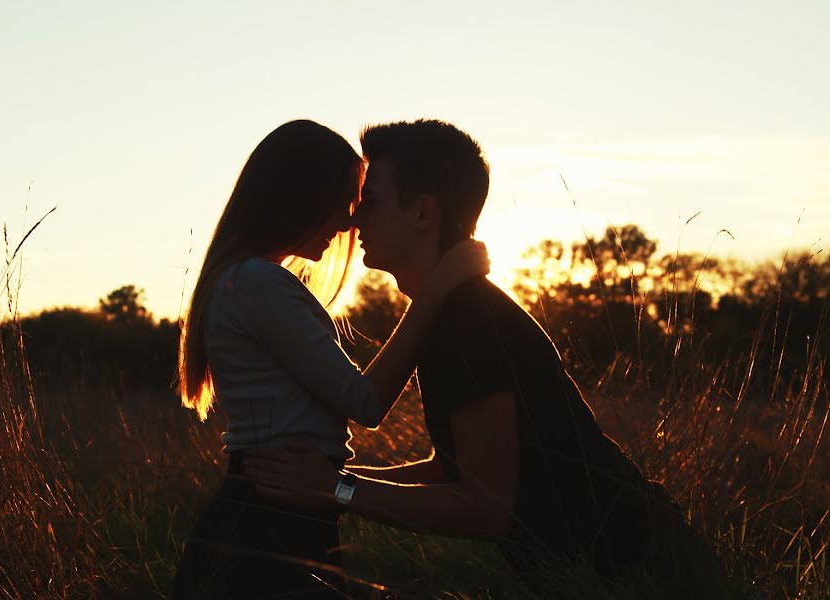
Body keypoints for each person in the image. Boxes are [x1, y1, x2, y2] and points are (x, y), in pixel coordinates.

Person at [249, 120, 731, 598]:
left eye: (370, 201)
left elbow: (485, 507)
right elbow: (455, 469)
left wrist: (337, 490)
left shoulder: (467, 323)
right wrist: (336, 482)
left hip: (643, 574)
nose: (354, 221)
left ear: (423, 213)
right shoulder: (452, 312)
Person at [170, 119, 490, 599]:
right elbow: (364, 401)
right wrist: (436, 291)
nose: (349, 221)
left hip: (279, 511)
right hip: (269, 521)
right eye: (343, 203)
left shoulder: (248, 282)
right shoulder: (257, 283)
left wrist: (342, 485)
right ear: (299, 197)